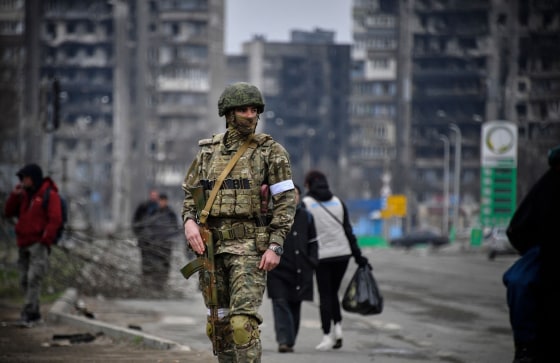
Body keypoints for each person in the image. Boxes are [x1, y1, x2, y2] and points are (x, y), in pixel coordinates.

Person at [181, 82, 296, 362]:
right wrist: (189, 222)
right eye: (243, 109)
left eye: (254, 109)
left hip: (249, 249)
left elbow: (286, 201)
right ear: (228, 113)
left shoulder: (270, 151)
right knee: (218, 325)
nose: (250, 115)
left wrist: (275, 245)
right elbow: (190, 195)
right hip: (212, 249)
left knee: (241, 326)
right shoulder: (208, 152)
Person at [504, 144, 560, 363]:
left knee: (520, 280)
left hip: (547, 256)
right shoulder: (551, 185)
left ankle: (525, 347)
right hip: (549, 254)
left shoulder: (550, 183)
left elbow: (519, 228)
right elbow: (519, 228)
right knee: (519, 280)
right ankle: (525, 346)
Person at [302, 170, 369, 351]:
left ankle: (326, 335)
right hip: (343, 255)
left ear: (308, 185)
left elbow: (303, 233)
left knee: (325, 295)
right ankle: (338, 330)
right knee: (333, 293)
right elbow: (348, 231)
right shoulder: (339, 202)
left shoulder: (306, 204)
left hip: (322, 256)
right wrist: (358, 257)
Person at [3, 163, 63, 325]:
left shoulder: (49, 195)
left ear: (34, 178)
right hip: (24, 243)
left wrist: (46, 239)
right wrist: (14, 195)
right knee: (24, 279)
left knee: (33, 278)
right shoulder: (23, 196)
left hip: (39, 244)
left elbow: (55, 219)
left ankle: (29, 312)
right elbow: (8, 212)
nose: (23, 181)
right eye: (22, 178)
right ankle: (34, 313)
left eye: (26, 178)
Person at [266, 184, 318, 353]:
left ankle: (290, 339)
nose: (293, 197)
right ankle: (284, 341)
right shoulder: (273, 216)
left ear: (300, 197)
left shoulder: (307, 217)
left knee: (295, 305)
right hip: (278, 269)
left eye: (295, 194)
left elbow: (313, 243)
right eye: (289, 194)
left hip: (300, 270)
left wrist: (312, 262)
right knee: (280, 302)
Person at [146, 193, 179, 291]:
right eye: (160, 201)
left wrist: (170, 237)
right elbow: (149, 226)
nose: (162, 203)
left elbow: (175, 228)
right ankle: (155, 283)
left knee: (165, 263)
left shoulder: (170, 213)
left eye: (164, 201)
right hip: (155, 242)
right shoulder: (154, 212)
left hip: (166, 243)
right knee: (155, 263)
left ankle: (163, 283)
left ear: (166, 201)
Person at [132, 189, 160, 289]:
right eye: (152, 195)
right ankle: (146, 282)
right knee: (145, 261)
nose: (154, 197)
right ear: (150, 195)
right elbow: (135, 221)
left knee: (156, 261)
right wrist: (139, 234)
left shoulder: (160, 208)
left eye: (155, 195)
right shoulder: (143, 207)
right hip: (144, 239)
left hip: (157, 241)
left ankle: (155, 283)